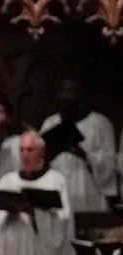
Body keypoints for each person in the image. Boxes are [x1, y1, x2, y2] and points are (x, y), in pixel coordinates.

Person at [0, 130, 73, 255]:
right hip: (12, 251)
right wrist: (8, 210)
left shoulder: (55, 180)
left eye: (30, 150)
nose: (25, 155)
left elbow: (63, 221)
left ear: (41, 152)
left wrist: (35, 213)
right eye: (21, 150)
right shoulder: (6, 181)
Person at [39, 78, 116, 214]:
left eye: (72, 91)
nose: (67, 96)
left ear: (81, 94)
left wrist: (85, 154)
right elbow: (39, 160)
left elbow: (111, 163)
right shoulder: (51, 123)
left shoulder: (100, 123)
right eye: (64, 92)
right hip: (58, 187)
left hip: (88, 190)